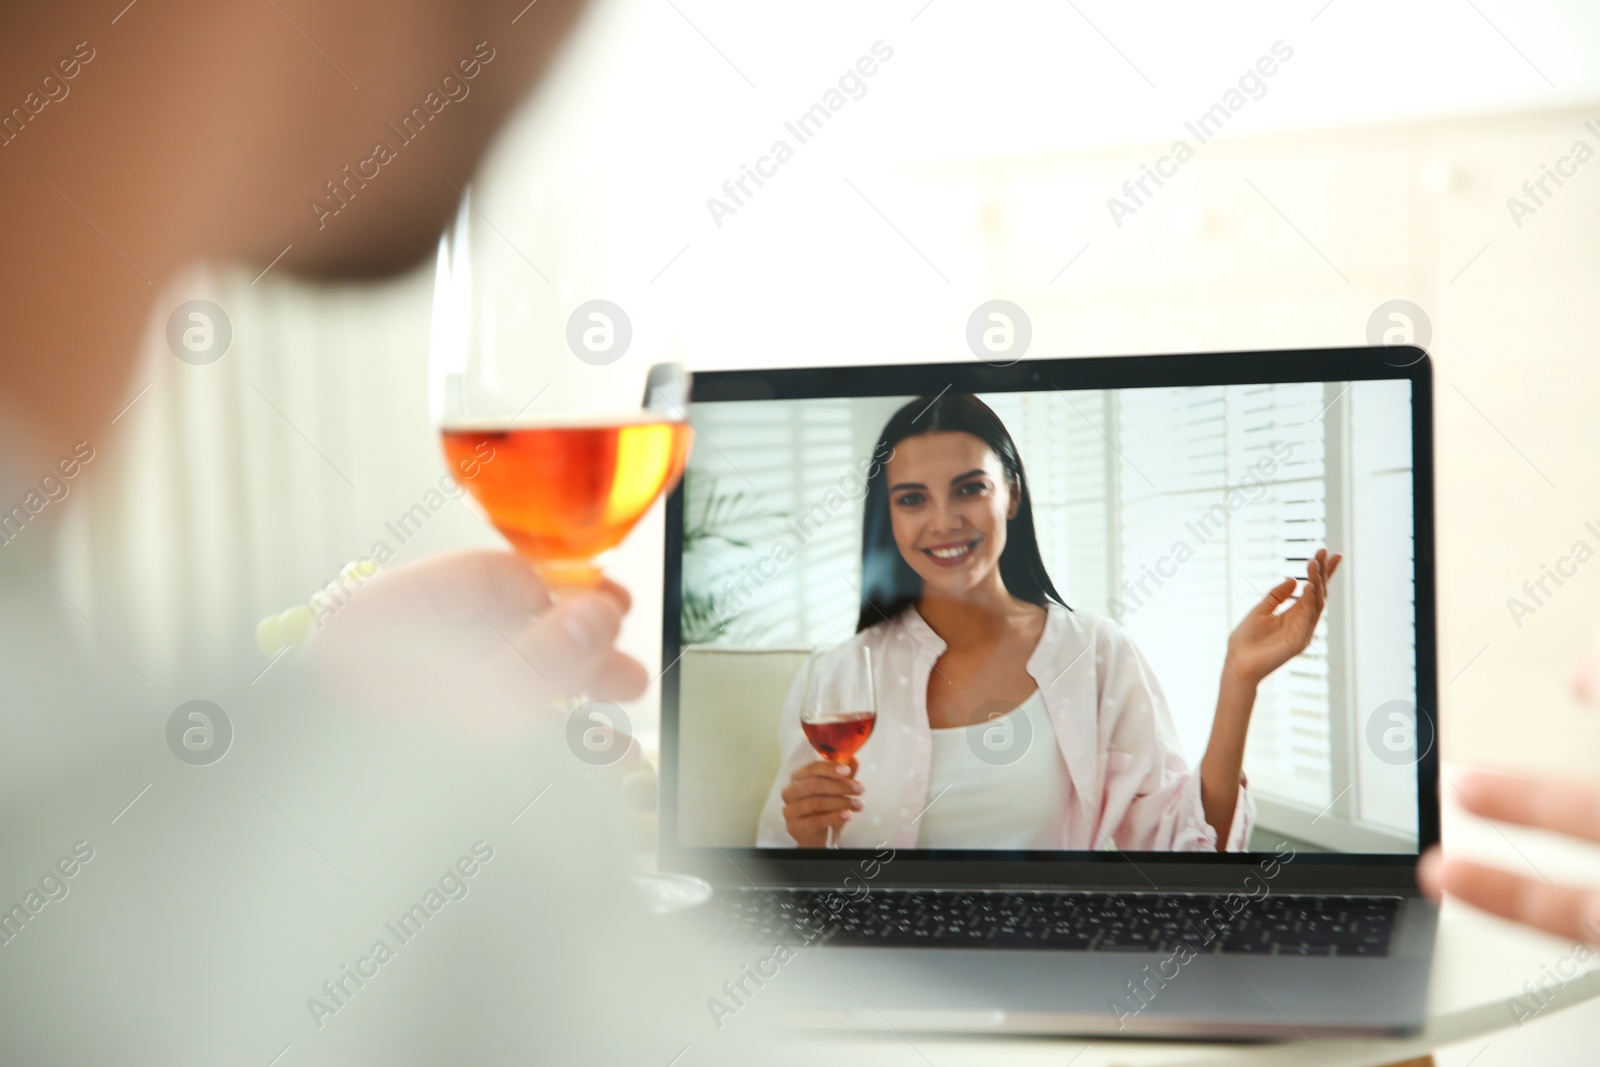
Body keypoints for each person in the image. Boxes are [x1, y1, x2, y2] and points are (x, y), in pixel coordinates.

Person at [757, 394, 1341, 851]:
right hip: (874, 968)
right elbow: (783, 875)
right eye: (912, 499)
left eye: (970, 489)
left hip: (1050, 958)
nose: (943, 521)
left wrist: (1239, 682)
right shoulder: (834, 679)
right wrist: (808, 841)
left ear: (1011, 494)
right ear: (887, 516)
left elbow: (1184, 851)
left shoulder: (1096, 655)